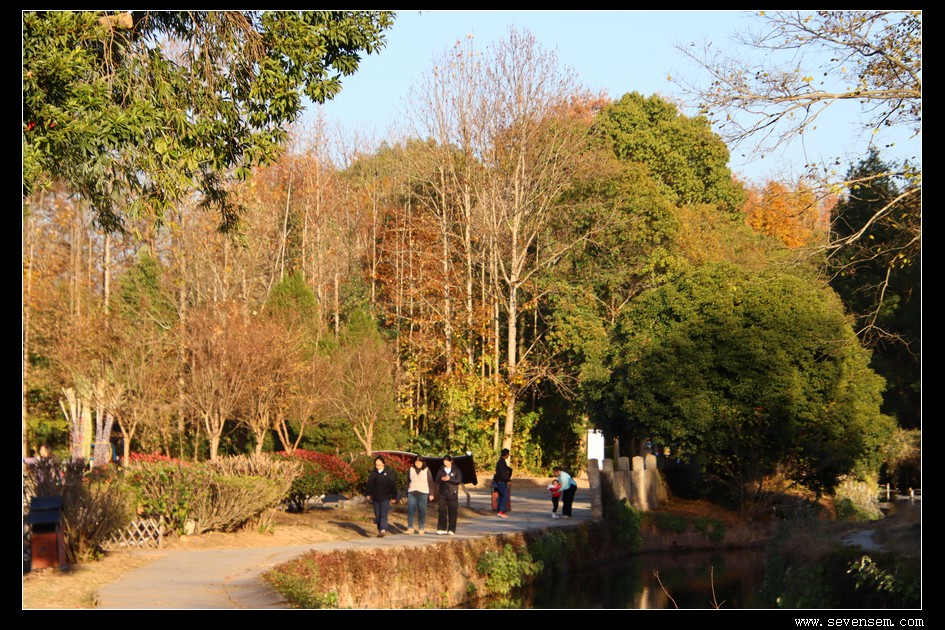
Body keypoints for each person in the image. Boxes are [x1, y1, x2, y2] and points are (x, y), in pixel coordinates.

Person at [365, 455, 398, 537]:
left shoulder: (388, 473)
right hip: (376, 498)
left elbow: (393, 485)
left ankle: (383, 529)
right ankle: (380, 529)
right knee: (377, 515)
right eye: (376, 465)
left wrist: (394, 496)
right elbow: (370, 485)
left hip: (386, 498)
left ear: (383, 464)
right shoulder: (373, 474)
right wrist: (368, 494)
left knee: (383, 514)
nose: (378, 466)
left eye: (379, 465)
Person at [435, 455, 462, 535]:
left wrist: (450, 479)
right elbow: (437, 479)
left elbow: (458, 480)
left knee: (452, 511)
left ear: (451, 461)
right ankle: (442, 528)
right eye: (444, 461)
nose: (445, 462)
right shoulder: (441, 470)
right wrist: (441, 479)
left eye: (447, 461)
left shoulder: (456, 470)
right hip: (442, 493)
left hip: (452, 494)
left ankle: (451, 529)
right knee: (442, 510)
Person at [406, 456, 435, 534]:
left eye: (419, 462)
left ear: (422, 463)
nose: (417, 464)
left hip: (423, 492)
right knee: (410, 511)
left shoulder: (426, 470)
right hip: (412, 492)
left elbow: (430, 482)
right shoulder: (411, 469)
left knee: (422, 511)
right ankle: (410, 528)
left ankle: (421, 528)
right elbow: (408, 481)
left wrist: (431, 493)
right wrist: (407, 491)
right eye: (416, 462)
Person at [493, 447, 512, 518]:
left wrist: (510, 470)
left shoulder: (501, 461)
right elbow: (503, 473)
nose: (508, 455)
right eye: (508, 454)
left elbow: (506, 470)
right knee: (505, 495)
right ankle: (501, 511)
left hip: (500, 481)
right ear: (506, 454)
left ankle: (499, 510)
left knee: (501, 495)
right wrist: (507, 481)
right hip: (501, 482)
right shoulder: (501, 462)